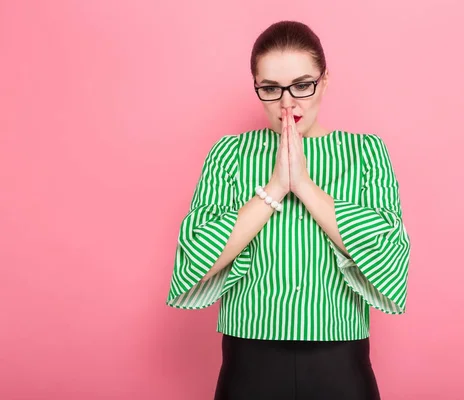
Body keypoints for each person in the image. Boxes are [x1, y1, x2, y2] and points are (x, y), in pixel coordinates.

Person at [165, 20, 411, 400]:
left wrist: (305, 188)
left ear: (324, 81)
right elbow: (195, 256)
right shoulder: (229, 153)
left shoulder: (366, 152)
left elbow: (387, 255)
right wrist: (275, 188)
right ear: (257, 87)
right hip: (249, 359)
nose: (287, 102)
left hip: (340, 361)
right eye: (270, 88)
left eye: (301, 85)